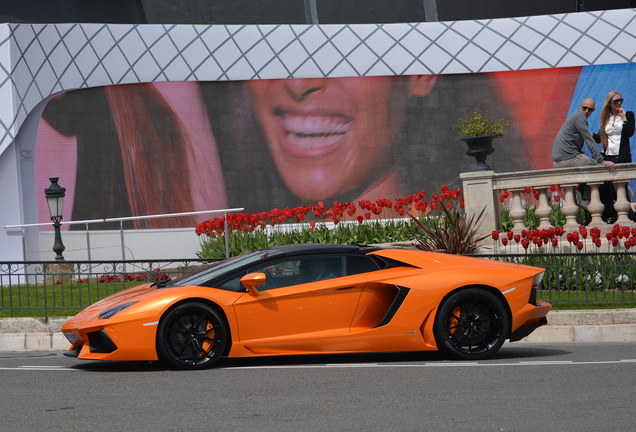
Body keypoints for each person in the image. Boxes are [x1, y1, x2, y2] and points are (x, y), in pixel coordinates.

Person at [594, 91, 635, 221]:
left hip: (622, 157)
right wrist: (587, 133)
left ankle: (628, 217)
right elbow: (600, 138)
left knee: (620, 187)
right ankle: (617, 215)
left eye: (620, 100)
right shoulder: (607, 118)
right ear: (609, 104)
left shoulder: (628, 114)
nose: (618, 103)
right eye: (615, 101)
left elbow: (629, 133)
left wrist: (624, 118)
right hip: (609, 157)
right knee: (611, 188)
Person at [552, 97, 616, 170]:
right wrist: (601, 160)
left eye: (590, 109)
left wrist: (577, 150)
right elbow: (589, 140)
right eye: (584, 108)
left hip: (558, 161)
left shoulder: (575, 116)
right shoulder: (580, 118)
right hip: (567, 159)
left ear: (593, 110)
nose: (586, 111)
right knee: (600, 167)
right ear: (580, 106)